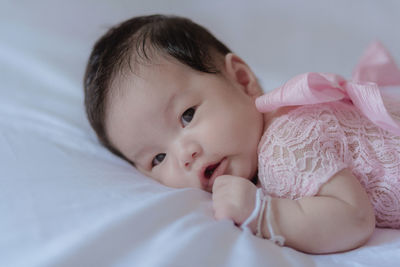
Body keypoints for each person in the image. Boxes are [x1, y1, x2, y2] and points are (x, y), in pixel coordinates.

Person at [83, 14, 400, 254]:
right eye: (158, 158)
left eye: (187, 115)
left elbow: (355, 219)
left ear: (243, 79)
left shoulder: (284, 146)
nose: (184, 154)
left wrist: (263, 214)